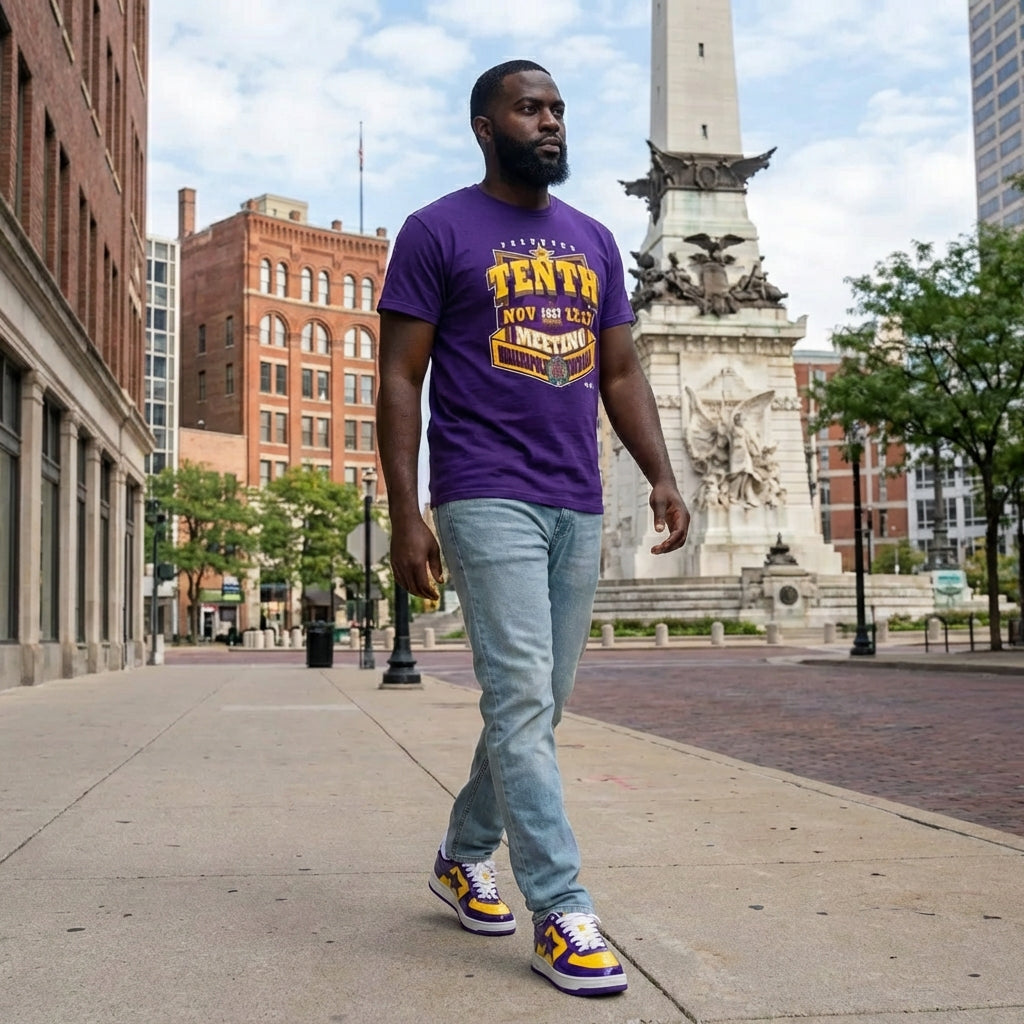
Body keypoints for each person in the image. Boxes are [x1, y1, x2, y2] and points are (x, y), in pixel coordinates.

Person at [376, 59, 689, 998]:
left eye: (557, 108)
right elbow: (400, 378)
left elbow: (621, 373)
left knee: (539, 706)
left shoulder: (593, 239)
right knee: (519, 699)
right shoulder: (436, 231)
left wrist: (661, 474)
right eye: (529, 108)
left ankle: (461, 854)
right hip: (483, 491)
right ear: (485, 126)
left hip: (577, 497)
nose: (550, 122)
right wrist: (405, 512)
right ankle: (561, 909)